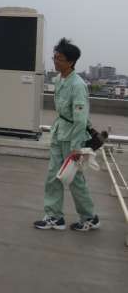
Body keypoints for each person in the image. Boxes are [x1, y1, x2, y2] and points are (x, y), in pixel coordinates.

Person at [34, 38, 100, 232]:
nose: (56, 61)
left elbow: (80, 118)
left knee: (74, 179)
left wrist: (76, 147)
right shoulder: (59, 79)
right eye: (54, 57)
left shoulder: (77, 85)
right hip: (59, 132)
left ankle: (89, 217)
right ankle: (54, 216)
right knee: (53, 176)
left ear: (71, 62)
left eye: (60, 59)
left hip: (72, 137)